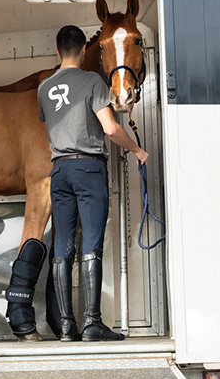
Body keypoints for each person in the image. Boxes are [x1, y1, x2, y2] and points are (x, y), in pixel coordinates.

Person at [38, 25, 148, 341]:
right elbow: (110, 129)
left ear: (58, 51)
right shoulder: (92, 81)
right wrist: (137, 150)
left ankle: (66, 327)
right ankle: (91, 323)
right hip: (89, 170)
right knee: (91, 247)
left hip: (58, 172)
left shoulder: (44, 88)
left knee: (62, 248)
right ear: (84, 50)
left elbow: (53, 125)